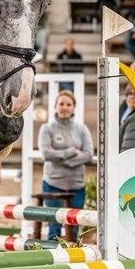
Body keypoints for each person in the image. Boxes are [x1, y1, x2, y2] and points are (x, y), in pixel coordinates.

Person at [37, 90, 94, 240]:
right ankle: (52, 262)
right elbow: (46, 154)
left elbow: (88, 155)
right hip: (53, 184)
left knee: (74, 229)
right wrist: (72, 151)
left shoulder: (82, 129)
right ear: (55, 106)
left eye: (68, 104)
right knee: (54, 228)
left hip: (77, 187)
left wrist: (65, 160)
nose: (64, 107)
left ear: (74, 107)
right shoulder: (47, 129)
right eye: (61, 104)